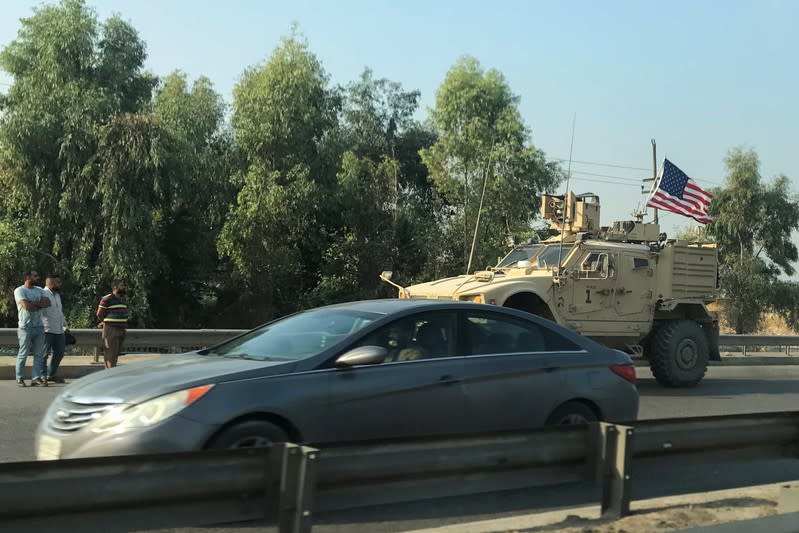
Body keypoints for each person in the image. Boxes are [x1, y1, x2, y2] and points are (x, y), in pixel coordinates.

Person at [14, 270, 51, 387]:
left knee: (39, 354)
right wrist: (37, 304)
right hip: (25, 327)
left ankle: (36, 378)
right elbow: (26, 306)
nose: (37, 277)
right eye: (35, 276)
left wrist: (33, 303)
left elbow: (47, 303)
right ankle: (19, 378)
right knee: (23, 353)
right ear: (27, 277)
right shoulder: (20, 290)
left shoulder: (40, 290)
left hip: (39, 326)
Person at [40, 274, 69, 383]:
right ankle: (42, 376)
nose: (59, 284)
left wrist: (65, 325)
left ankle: (50, 374)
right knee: (44, 354)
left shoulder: (57, 295)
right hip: (46, 329)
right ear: (51, 283)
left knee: (59, 353)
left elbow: (59, 312)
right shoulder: (42, 294)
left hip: (59, 330)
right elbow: (39, 311)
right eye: (58, 282)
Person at [97, 280, 128, 369]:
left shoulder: (122, 299)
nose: (123, 287)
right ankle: (109, 375)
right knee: (110, 354)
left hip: (122, 329)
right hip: (111, 329)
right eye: (121, 286)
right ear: (115, 287)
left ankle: (111, 373)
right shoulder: (107, 299)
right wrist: (104, 321)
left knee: (116, 354)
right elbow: (99, 314)